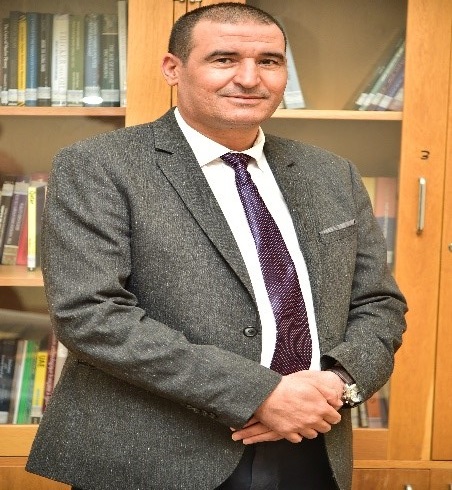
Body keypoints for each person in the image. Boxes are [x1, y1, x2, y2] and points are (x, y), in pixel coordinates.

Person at [26, 3, 407, 490]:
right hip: (157, 454)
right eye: (224, 59)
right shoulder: (99, 166)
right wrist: (260, 394)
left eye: (269, 61)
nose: (249, 78)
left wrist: (336, 386)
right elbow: (90, 313)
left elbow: (378, 303)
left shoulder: (332, 173)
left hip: (311, 443)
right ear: (173, 69)